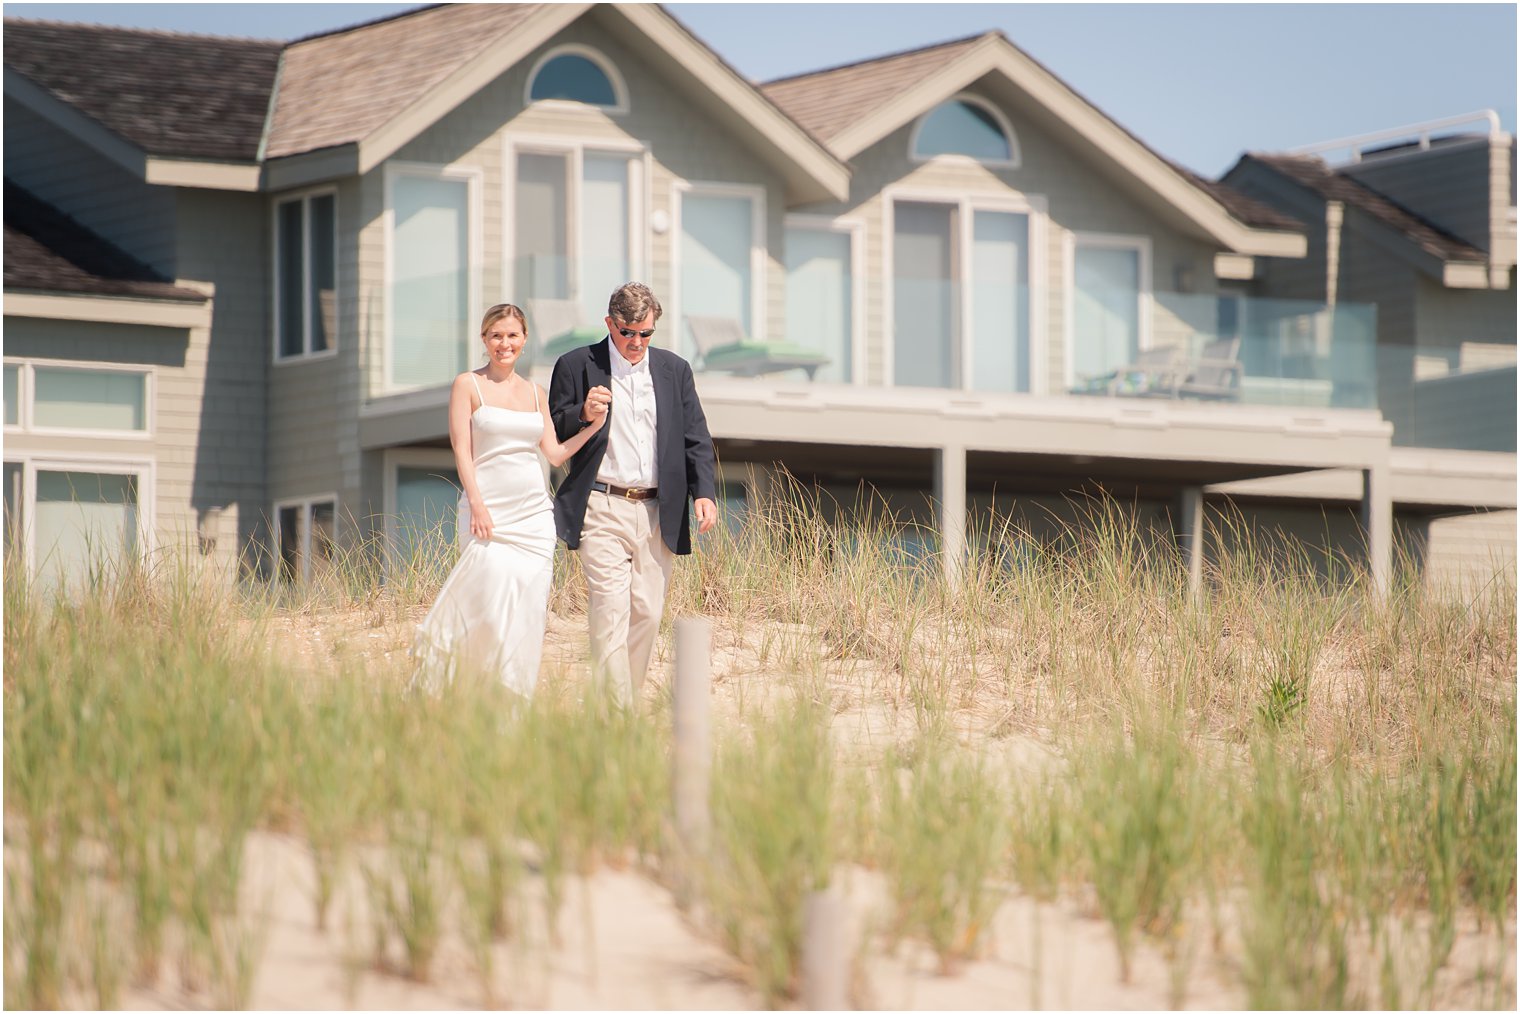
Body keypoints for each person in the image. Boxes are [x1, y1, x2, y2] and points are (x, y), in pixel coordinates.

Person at [412, 304, 610, 696]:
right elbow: (461, 450)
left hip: (534, 517)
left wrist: (593, 426)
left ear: (524, 339)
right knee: (482, 603)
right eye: (496, 335)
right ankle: (462, 688)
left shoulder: (536, 393)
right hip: (488, 512)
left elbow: (553, 454)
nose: (505, 343)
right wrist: (478, 504)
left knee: (526, 608)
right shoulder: (467, 385)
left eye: (513, 335)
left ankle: (511, 699)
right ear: (484, 340)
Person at [548, 282, 718, 705]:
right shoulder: (575, 365)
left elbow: (695, 436)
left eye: (646, 333)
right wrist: (583, 413)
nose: (637, 342)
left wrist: (705, 491)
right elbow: (552, 427)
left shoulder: (674, 370)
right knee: (610, 611)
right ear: (610, 324)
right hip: (602, 506)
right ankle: (616, 715)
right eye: (628, 333)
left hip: (659, 509)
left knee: (647, 613)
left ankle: (624, 702)